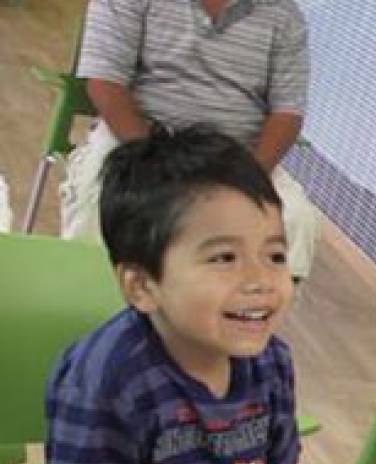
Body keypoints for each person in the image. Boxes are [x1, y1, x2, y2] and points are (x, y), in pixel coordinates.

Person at [43, 126, 301, 464]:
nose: (261, 281)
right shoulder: (107, 383)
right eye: (224, 258)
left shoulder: (272, 361)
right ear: (142, 286)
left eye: (276, 256)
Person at [62, 0, 320, 280]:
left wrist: (249, 176)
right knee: (98, 195)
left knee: (295, 219)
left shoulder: (284, 15)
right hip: (140, 140)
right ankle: (84, 302)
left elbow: (288, 112)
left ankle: (246, 319)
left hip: (235, 155)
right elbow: (105, 84)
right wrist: (154, 160)